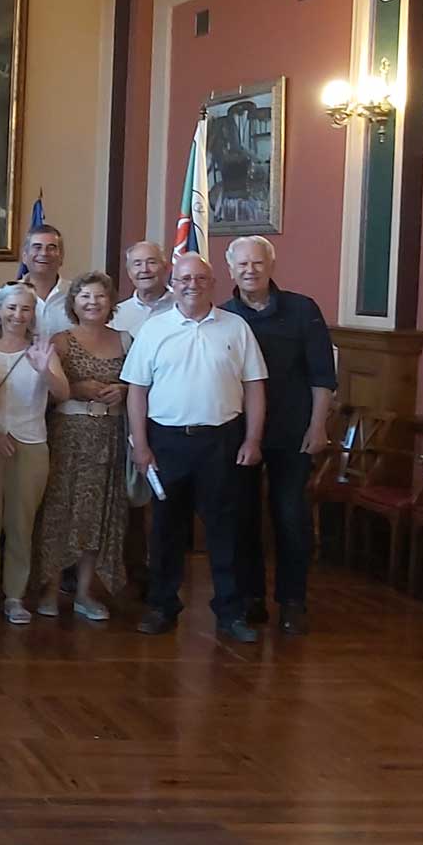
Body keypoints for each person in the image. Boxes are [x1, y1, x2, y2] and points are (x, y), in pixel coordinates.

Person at [124, 252, 268, 643]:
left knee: (226, 530)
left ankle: (230, 613)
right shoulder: (154, 329)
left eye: (200, 279)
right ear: (174, 283)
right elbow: (137, 391)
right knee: (166, 530)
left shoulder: (235, 328)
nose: (191, 285)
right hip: (166, 442)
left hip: (222, 442)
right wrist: (141, 446)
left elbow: (255, 386)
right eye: (184, 279)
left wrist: (253, 439)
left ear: (212, 283)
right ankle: (162, 606)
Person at [221, 235, 335, 635]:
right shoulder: (223, 317)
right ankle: (251, 598)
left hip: (293, 431)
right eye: (242, 265)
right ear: (230, 269)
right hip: (238, 435)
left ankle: (292, 601)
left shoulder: (303, 311)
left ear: (271, 266)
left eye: (257, 263)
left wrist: (318, 425)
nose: (250, 271)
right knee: (243, 518)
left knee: (290, 516)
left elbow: (323, 375)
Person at [0, 282, 70, 625]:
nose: (18, 315)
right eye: (11, 308)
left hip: (30, 444)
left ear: (33, 314)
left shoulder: (42, 350)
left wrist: (44, 369)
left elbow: (63, 392)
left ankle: (14, 596)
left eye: (25, 309)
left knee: (20, 525)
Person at [37, 271, 130, 620]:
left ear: (111, 303)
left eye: (100, 297)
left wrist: (122, 390)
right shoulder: (60, 341)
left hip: (109, 434)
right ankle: (48, 590)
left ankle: (85, 593)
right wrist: (79, 389)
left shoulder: (125, 340)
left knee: (98, 514)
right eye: (85, 296)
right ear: (73, 302)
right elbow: (47, 390)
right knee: (60, 510)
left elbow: (139, 384)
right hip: (67, 434)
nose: (93, 303)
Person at [110, 241, 176, 337]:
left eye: (151, 262)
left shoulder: (182, 307)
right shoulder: (117, 314)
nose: (144, 269)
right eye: (137, 264)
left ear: (166, 268)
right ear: (129, 272)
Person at [19, 223, 73, 336]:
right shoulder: (8, 296)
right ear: (24, 256)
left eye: (51, 248)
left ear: (61, 257)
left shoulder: (76, 296)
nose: (44, 253)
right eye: (37, 247)